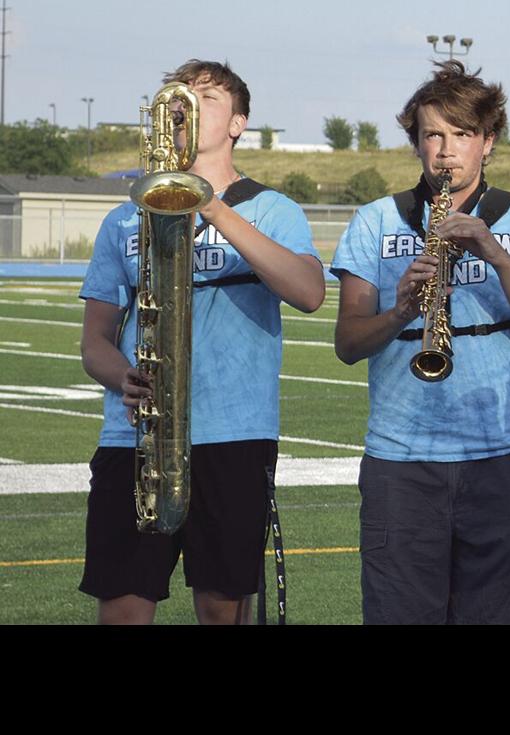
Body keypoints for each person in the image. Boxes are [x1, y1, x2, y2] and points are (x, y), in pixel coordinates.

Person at [78, 59, 325, 625]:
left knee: (221, 609)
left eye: (207, 99)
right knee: (123, 609)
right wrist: (121, 377)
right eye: (180, 98)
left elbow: (309, 292)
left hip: (232, 434)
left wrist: (209, 205)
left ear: (238, 122)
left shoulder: (272, 209)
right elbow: (94, 341)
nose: (187, 108)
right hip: (136, 438)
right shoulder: (124, 219)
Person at [331, 61, 510, 625]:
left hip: (499, 458)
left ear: (488, 142)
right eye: (432, 134)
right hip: (401, 463)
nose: (445, 150)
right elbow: (347, 342)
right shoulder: (375, 221)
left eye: (461, 134)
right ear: (415, 143)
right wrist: (400, 310)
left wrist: (494, 251)